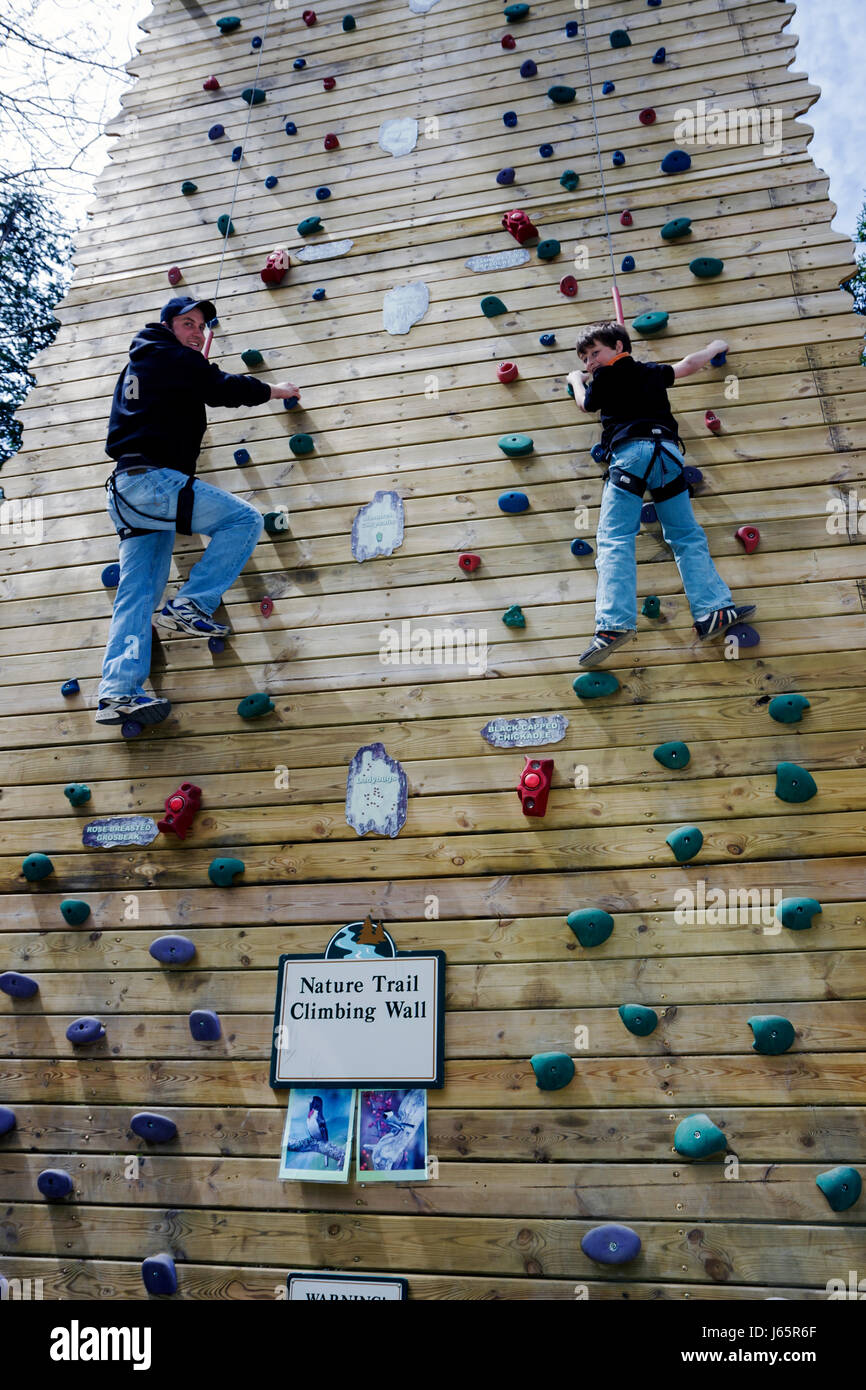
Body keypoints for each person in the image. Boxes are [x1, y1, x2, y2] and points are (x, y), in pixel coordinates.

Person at [95, 295, 300, 726]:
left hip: (128, 491)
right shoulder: (167, 355)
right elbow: (222, 388)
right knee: (243, 520)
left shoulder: (144, 363)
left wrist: (193, 367)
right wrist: (277, 390)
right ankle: (192, 604)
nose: (196, 332)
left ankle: (118, 692)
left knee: (136, 596)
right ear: (167, 325)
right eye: (187, 323)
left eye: (201, 327)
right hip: (152, 483)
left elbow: (180, 395)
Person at [566, 320, 754, 668]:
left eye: (595, 353)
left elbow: (585, 405)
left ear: (619, 348)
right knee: (685, 535)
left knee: (615, 539)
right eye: (585, 358)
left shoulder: (604, 377)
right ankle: (714, 610)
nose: (590, 361)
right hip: (668, 455)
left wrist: (577, 379)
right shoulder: (651, 372)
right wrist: (714, 347)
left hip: (631, 456)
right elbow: (687, 365)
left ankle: (613, 625)